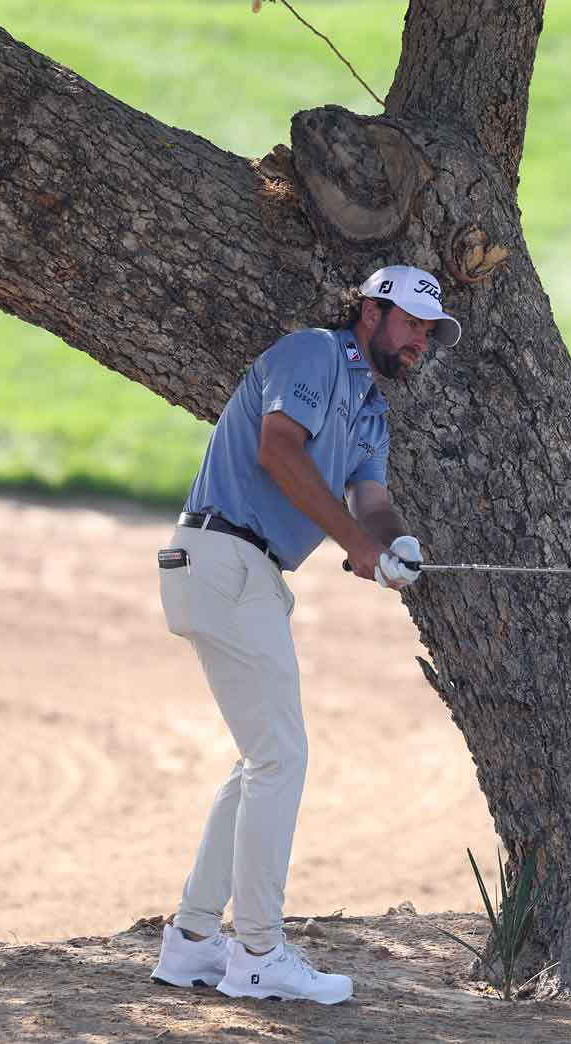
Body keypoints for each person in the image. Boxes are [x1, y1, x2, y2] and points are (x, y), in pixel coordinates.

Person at [148, 265, 462, 1004]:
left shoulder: (372, 409)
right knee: (280, 758)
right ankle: (257, 954)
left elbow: (373, 499)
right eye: (412, 324)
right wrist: (357, 544)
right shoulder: (313, 354)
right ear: (372, 311)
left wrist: (393, 544)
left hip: (245, 574)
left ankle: (193, 941)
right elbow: (278, 450)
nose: (421, 341)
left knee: (260, 760)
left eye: (428, 331)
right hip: (223, 559)